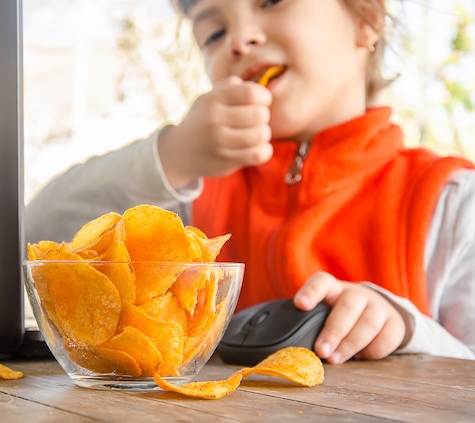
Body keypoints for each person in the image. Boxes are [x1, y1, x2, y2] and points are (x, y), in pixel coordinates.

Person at [25, 0, 475, 363]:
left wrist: (407, 330)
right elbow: (32, 237)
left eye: (272, 2)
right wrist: (173, 155)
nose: (239, 40)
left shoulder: (453, 204)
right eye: (215, 33)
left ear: (367, 17)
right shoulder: (185, 209)